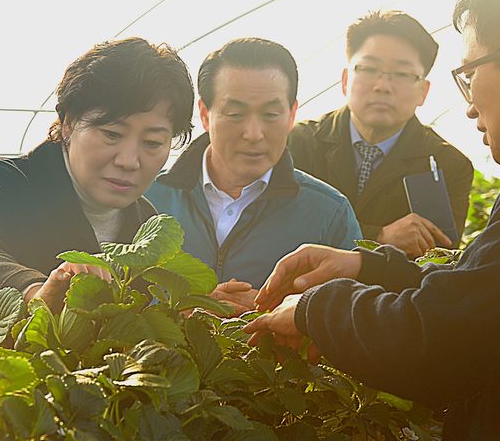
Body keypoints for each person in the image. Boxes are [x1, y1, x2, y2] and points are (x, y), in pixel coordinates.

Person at [246, 0, 500, 439]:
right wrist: (368, 267)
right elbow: (490, 287)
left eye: (469, 74)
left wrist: (315, 307)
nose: (469, 104)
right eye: (369, 70)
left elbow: (440, 340)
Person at [0, 37, 194, 356]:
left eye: (152, 143)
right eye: (112, 134)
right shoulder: (3, 183)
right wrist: (34, 293)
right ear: (67, 123)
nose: (129, 160)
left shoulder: (147, 226)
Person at [146, 38, 361, 315]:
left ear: (292, 114)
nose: (253, 133)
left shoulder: (330, 213)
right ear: (205, 114)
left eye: (271, 114)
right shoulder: (148, 196)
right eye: (235, 114)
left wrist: (279, 312)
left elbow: (352, 320)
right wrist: (185, 310)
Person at [288, 11, 473, 258]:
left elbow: (435, 261)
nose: (382, 86)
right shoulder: (297, 142)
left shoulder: (446, 165)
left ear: (423, 92)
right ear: (345, 80)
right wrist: (379, 237)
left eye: (402, 74)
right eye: (369, 68)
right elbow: (277, 229)